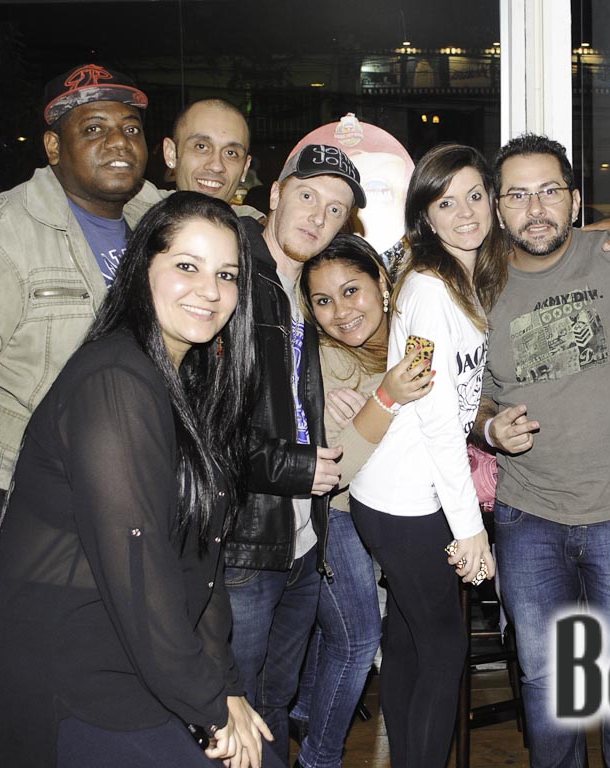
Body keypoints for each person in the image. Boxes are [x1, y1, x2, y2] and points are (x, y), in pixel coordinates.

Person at [0, 191, 275, 768]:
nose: (211, 291)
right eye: (187, 265)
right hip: (73, 660)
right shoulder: (116, 379)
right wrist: (210, 702)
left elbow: (202, 559)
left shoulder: (192, 384)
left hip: (141, 644)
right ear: (142, 269)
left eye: (227, 274)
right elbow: (141, 567)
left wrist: (225, 682)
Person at [0, 62, 157, 768]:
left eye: (131, 127)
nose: (119, 142)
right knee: (1, 711)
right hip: (14, 523)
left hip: (118, 515)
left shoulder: (155, 224)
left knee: (86, 709)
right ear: (54, 147)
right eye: (94, 129)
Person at [476, 133, 610, 767]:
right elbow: (471, 398)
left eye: (549, 191)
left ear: (577, 200)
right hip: (528, 518)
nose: (535, 209)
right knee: (548, 688)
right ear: (498, 208)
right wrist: (490, 430)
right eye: (517, 195)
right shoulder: (478, 287)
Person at [348, 143, 504, 767]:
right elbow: (440, 421)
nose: (465, 213)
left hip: (409, 494)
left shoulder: (461, 280)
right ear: (425, 216)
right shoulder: (430, 290)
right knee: (443, 648)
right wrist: (470, 531)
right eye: (446, 202)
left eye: (475, 196)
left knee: (411, 640)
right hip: (403, 501)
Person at [224, 143, 366, 765]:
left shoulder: (302, 288)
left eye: (335, 209)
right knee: (233, 710)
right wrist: (298, 467)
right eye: (307, 196)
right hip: (245, 541)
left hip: (303, 539)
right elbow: (206, 424)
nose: (318, 216)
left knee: (276, 702)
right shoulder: (232, 275)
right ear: (276, 193)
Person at [290, 233, 433, 768]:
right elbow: (337, 469)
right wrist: (385, 398)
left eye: (351, 290)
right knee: (355, 639)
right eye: (323, 300)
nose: (341, 311)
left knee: (339, 637)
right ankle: (319, 759)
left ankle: (304, 711)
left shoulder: (417, 337)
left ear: (382, 282)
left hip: (401, 512)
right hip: (334, 516)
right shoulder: (326, 361)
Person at [163, 98, 252, 203]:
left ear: (245, 168)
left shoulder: (252, 214)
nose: (216, 166)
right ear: (171, 153)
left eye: (230, 153)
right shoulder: (147, 207)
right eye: (201, 147)